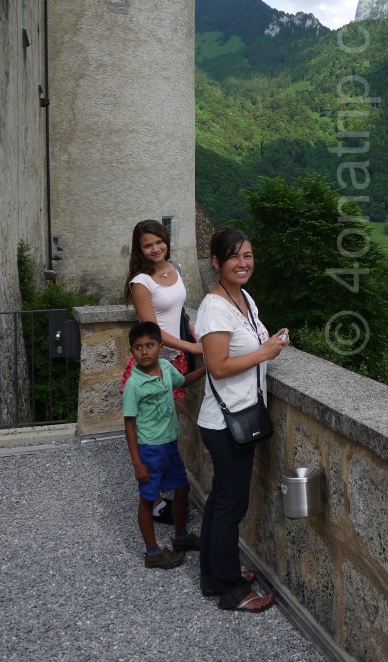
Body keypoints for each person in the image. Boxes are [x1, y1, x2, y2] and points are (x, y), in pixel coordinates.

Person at [196, 225, 289, 612]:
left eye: (247, 255)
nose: (242, 262)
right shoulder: (215, 306)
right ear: (216, 262)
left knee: (221, 501)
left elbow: (247, 345)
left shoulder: (243, 298)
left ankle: (211, 577)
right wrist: (265, 353)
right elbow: (216, 366)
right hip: (225, 422)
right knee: (231, 506)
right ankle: (232, 590)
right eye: (233, 256)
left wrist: (270, 345)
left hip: (237, 415)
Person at [121, 219, 201, 523]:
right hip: (152, 362)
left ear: (166, 240)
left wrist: (195, 332)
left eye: (158, 242)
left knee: (164, 425)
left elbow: (179, 311)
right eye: (147, 245)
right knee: (147, 429)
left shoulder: (175, 269)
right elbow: (152, 329)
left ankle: (163, 487)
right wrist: (193, 348)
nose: (155, 249)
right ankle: (152, 501)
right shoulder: (142, 282)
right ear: (139, 250)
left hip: (173, 359)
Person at [123, 321, 206, 568]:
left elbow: (183, 381)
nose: (145, 351)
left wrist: (207, 369)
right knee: (148, 499)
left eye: (149, 345)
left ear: (160, 347)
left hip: (169, 443)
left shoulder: (167, 369)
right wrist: (137, 462)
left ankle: (180, 537)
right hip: (149, 448)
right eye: (138, 347)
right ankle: (152, 552)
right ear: (132, 351)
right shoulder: (133, 385)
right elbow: (129, 425)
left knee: (182, 489)